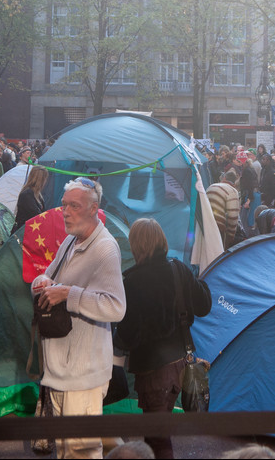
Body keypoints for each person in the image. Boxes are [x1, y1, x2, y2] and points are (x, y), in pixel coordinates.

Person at [32, 177, 126, 459]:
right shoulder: (72, 240)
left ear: (93, 209)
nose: (66, 211)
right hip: (61, 371)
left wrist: (68, 294)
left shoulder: (105, 249)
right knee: (65, 451)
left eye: (75, 205)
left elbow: (116, 307)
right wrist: (41, 282)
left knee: (81, 453)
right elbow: (51, 277)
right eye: (64, 205)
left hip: (83, 375)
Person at [115, 218, 212, 459]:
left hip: (154, 371)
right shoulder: (178, 268)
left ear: (136, 245)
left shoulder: (133, 282)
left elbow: (128, 335)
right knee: (155, 435)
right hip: (181, 362)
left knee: (158, 438)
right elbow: (204, 306)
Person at [205, 170, 242, 249]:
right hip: (218, 228)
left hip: (204, 224)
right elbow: (233, 216)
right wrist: (230, 236)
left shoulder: (211, 186)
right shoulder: (232, 191)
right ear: (234, 182)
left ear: (224, 178)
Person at [13, 164, 50, 234]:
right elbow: (36, 215)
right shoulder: (27, 195)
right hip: (24, 232)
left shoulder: (37, 194)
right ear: (40, 180)